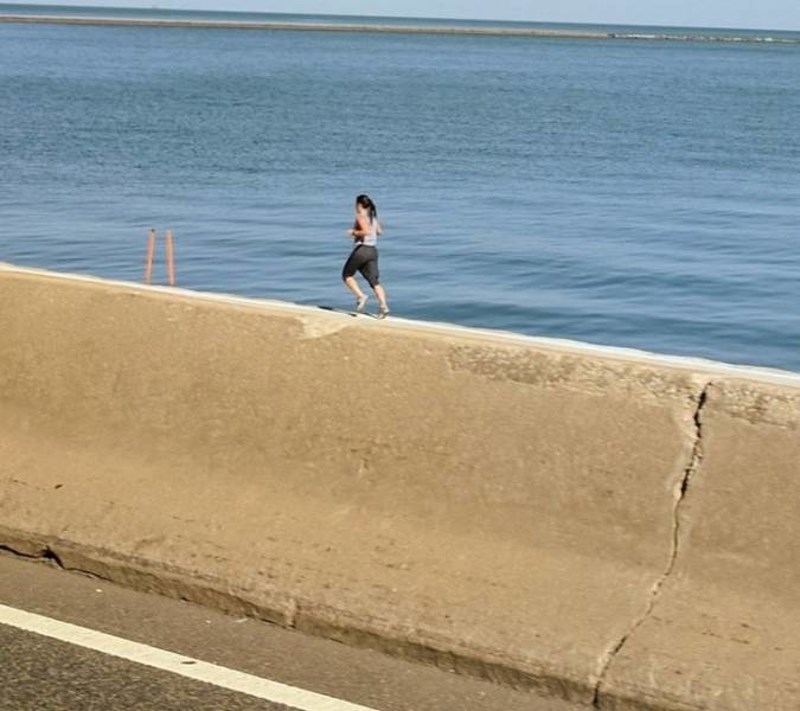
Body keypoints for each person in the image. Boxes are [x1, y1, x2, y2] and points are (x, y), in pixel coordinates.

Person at [342, 193, 390, 318]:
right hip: (372, 251)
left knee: (347, 275)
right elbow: (379, 231)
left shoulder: (360, 216)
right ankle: (383, 306)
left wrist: (353, 232)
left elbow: (365, 231)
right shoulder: (373, 217)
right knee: (374, 282)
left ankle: (361, 296)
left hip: (362, 250)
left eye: (355, 204)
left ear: (359, 205)